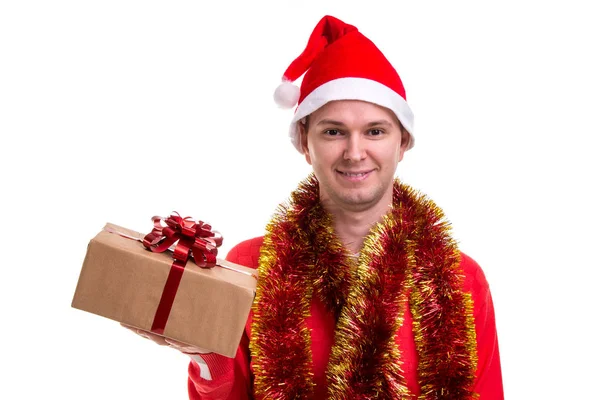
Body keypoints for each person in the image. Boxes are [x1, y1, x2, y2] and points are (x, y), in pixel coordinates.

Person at [126, 15, 504, 399]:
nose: (355, 153)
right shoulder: (251, 266)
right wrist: (207, 353)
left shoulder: (462, 278)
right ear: (305, 142)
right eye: (333, 131)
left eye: (375, 131)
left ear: (402, 142)